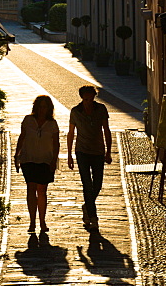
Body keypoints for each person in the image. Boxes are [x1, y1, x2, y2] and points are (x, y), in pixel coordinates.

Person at [67, 84, 112, 229]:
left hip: (98, 151)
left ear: (94, 97)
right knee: (87, 184)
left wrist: (108, 151)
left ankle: (87, 206)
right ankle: (93, 217)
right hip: (82, 151)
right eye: (85, 99)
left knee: (97, 184)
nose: (88, 101)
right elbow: (71, 133)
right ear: (81, 97)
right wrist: (69, 155)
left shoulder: (101, 109)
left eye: (90, 99)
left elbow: (106, 130)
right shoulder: (75, 111)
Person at [14, 95, 60, 234]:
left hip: (46, 160)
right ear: (36, 107)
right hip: (28, 158)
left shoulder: (52, 124)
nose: (42, 109)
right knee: (30, 189)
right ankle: (32, 222)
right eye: (40, 106)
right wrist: (17, 155)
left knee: (42, 191)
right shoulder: (28, 120)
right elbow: (22, 137)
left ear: (49, 108)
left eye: (44, 107)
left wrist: (54, 160)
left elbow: (56, 143)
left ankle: (42, 221)